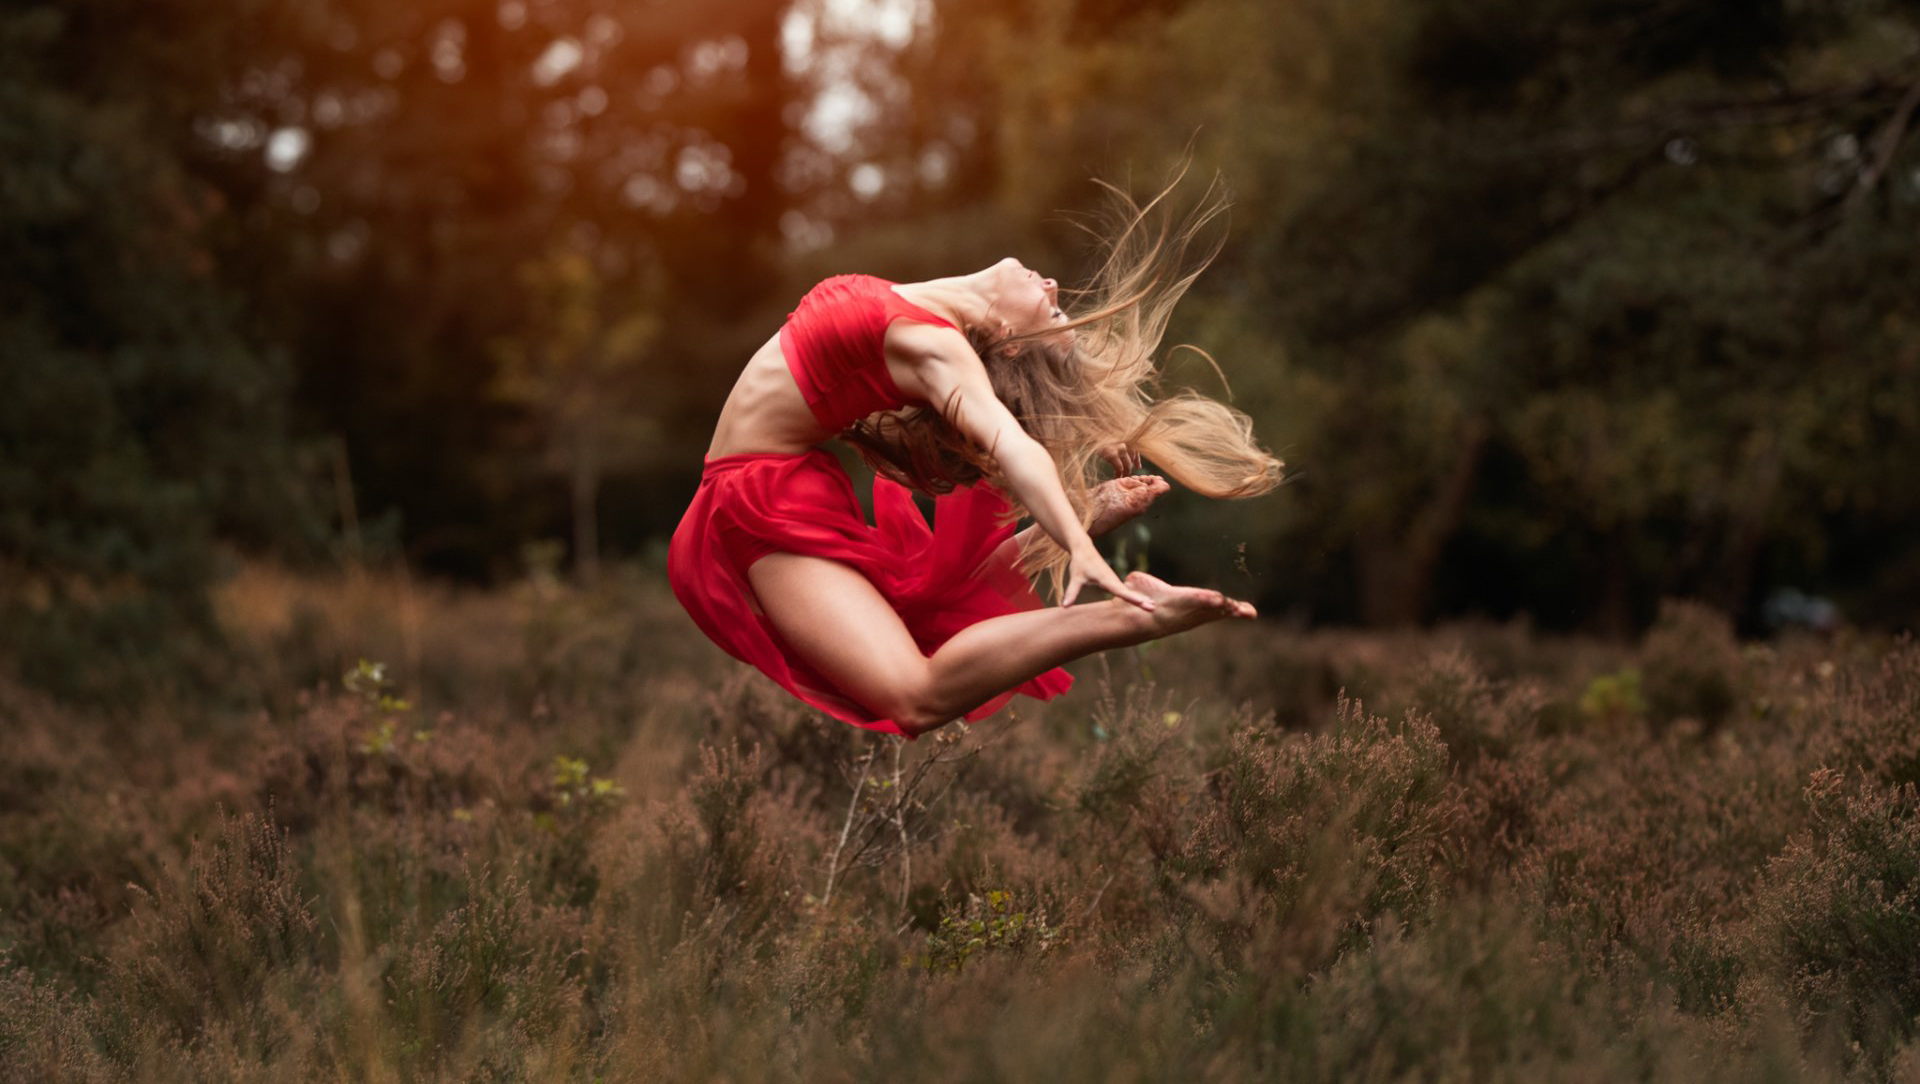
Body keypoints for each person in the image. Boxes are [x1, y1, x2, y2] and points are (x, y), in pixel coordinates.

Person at [669, 179, 1283, 740]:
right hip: (774, 484)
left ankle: (1137, 617)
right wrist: (1088, 435)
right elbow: (1005, 409)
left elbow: (1011, 443)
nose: (1054, 288)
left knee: (915, 695)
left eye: (1055, 312)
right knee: (918, 613)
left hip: (756, 498)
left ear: (1012, 340)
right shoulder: (931, 316)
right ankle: (1099, 547)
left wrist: (1078, 545)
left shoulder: (938, 351)